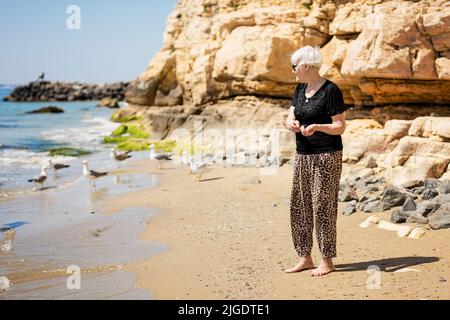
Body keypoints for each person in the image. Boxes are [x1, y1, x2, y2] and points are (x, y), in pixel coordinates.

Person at [284, 46, 347, 277]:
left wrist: (319, 127)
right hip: (302, 155)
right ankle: (305, 257)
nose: (293, 71)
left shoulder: (331, 90)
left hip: (327, 155)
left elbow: (340, 126)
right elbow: (291, 116)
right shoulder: (299, 90)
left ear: (307, 66)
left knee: (322, 206)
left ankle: (327, 260)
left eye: (295, 67)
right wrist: (290, 124)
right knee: (300, 206)